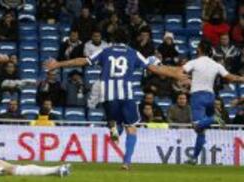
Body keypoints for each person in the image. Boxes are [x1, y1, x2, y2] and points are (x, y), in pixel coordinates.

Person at [44, 27, 187, 170]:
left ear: (113, 40)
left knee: (116, 124)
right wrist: (175, 74)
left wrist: (58, 64)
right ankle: (126, 162)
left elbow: (83, 61)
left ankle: (114, 128)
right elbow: (154, 68)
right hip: (126, 95)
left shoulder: (105, 51)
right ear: (127, 40)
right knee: (131, 128)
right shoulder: (133, 53)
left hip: (108, 95)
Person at [181, 40, 244, 165]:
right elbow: (230, 77)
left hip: (197, 97)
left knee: (197, 126)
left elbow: (181, 71)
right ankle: (194, 158)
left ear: (199, 49)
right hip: (210, 96)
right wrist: (242, 79)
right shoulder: (216, 64)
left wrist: (186, 80)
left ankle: (215, 118)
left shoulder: (194, 62)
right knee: (201, 130)